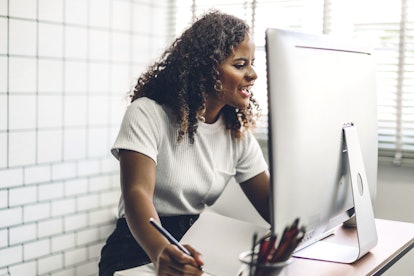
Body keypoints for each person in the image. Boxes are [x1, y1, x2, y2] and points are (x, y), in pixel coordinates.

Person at [99, 10, 270, 276]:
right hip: (138, 246)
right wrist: (160, 251)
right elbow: (137, 194)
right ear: (205, 69)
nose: (253, 74)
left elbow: (272, 204)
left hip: (196, 245)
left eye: (252, 63)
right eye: (240, 65)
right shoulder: (147, 113)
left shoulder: (236, 132)